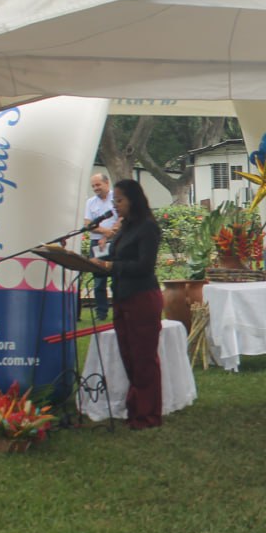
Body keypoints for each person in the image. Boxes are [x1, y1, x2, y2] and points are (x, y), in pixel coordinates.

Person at [94, 179, 163, 430]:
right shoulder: (125, 228)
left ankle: (148, 415)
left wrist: (112, 266)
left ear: (134, 200)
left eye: (119, 200)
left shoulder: (147, 228)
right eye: (114, 200)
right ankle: (135, 408)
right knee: (129, 356)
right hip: (122, 297)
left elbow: (144, 266)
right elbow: (114, 258)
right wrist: (95, 264)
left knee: (143, 358)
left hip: (142, 297)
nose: (115, 205)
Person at [84, 173, 116, 320]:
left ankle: (120, 310)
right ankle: (101, 313)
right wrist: (104, 233)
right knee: (99, 281)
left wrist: (107, 236)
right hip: (97, 244)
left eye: (98, 185)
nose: (96, 188)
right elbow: (88, 224)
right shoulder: (90, 202)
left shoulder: (116, 197)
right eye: (93, 186)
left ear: (107, 183)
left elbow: (121, 219)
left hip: (116, 242)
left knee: (118, 278)